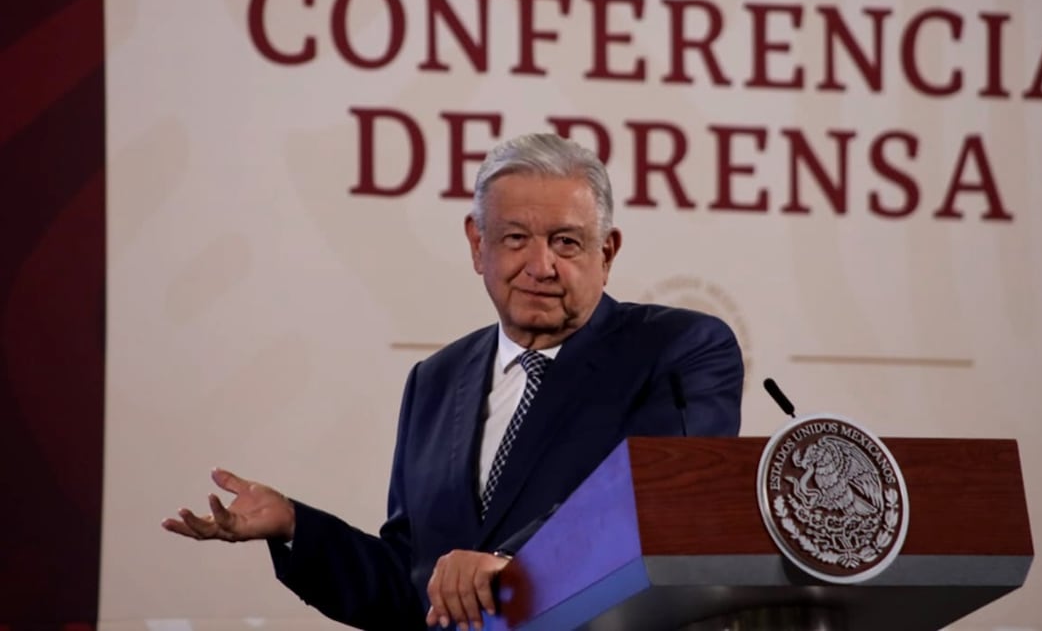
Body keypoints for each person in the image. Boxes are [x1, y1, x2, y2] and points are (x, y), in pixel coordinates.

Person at [163, 133, 744, 630]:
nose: (540, 266)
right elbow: (413, 585)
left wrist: (510, 563)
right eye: (516, 238)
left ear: (607, 251)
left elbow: (656, 501)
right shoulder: (435, 382)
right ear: (477, 244)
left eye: (566, 241)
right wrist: (297, 526)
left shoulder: (678, 349)